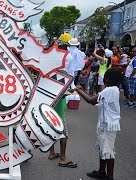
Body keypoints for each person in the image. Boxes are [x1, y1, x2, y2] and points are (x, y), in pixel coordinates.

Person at [71, 67, 123, 180]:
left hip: (108, 126)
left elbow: (91, 100)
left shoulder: (109, 90)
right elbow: (98, 102)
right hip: (106, 124)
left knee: (108, 151)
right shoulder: (113, 90)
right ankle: (101, 172)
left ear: (107, 79)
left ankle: (110, 176)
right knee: (103, 148)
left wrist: (79, 90)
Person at [48, 33, 77, 168]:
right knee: (62, 126)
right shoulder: (68, 56)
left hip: (50, 91)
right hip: (61, 90)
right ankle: (63, 158)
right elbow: (67, 74)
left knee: (51, 124)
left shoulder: (53, 55)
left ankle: (52, 152)